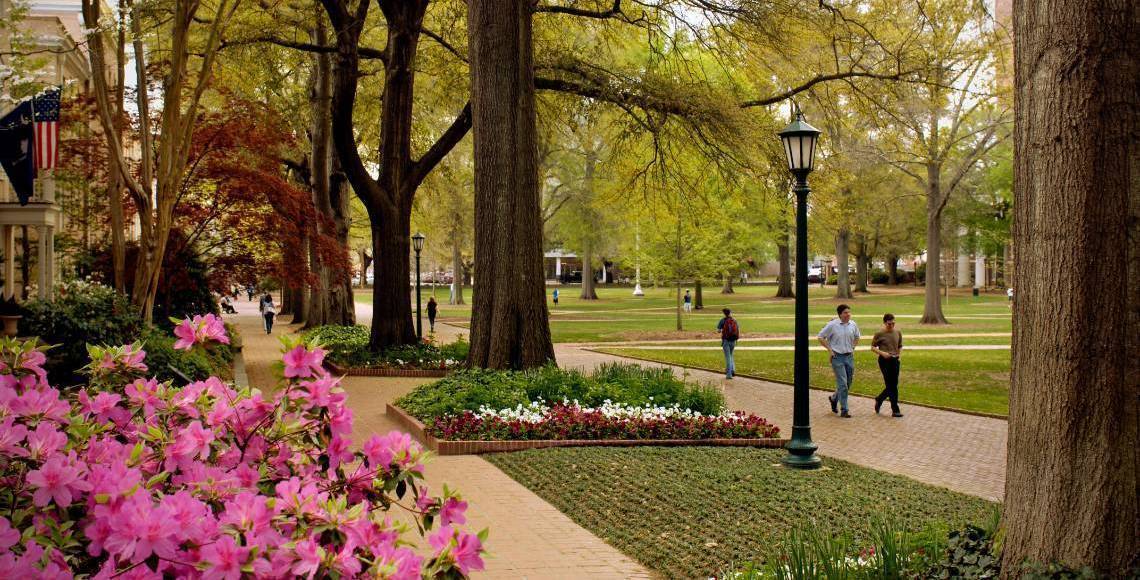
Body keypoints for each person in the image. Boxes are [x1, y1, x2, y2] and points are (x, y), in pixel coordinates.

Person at [818, 304, 860, 418]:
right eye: (845, 312)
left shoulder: (853, 324)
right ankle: (844, 409)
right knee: (843, 384)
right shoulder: (832, 325)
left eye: (849, 312)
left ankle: (834, 398)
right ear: (840, 314)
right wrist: (830, 350)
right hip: (837, 357)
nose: (848, 314)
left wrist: (853, 348)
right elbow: (820, 337)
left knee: (848, 382)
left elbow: (857, 337)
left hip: (849, 357)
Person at [871, 313, 904, 417]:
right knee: (891, 385)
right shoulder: (879, 334)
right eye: (889, 324)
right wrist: (883, 353)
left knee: (893, 385)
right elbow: (872, 347)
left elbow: (900, 346)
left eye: (893, 323)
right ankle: (895, 410)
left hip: (895, 360)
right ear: (885, 323)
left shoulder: (898, 332)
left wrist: (899, 356)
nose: (892, 325)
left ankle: (879, 398)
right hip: (884, 361)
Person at [715, 308, 740, 379]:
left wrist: (722, 330)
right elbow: (738, 330)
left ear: (724, 313)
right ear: (730, 313)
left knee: (728, 357)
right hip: (733, 341)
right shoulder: (734, 320)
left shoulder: (722, 320)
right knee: (731, 355)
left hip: (726, 341)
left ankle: (729, 374)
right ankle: (733, 370)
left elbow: (718, 330)